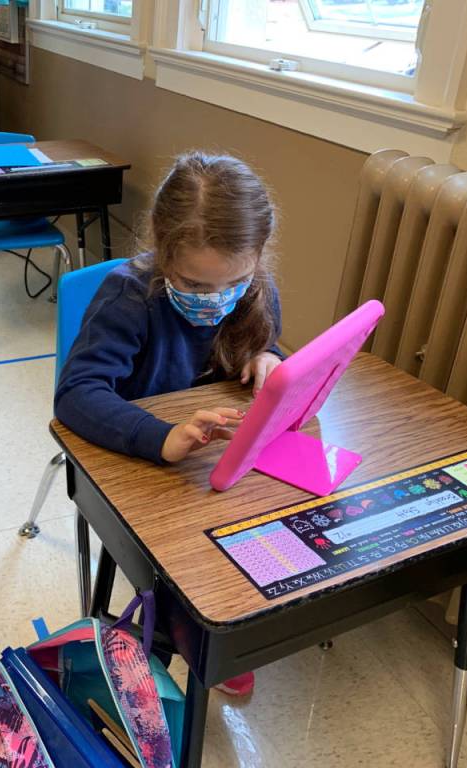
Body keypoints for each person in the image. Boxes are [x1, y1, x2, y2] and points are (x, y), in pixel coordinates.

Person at [54, 152, 283, 695]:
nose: (215, 300)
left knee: (262, 516)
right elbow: (76, 395)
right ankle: (171, 636)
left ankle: (225, 613)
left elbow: (260, 340)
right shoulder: (129, 296)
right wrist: (160, 437)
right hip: (144, 464)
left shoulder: (255, 290)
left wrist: (267, 355)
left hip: (212, 457)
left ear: (254, 261)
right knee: (178, 554)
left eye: (234, 282)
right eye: (195, 284)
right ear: (160, 247)